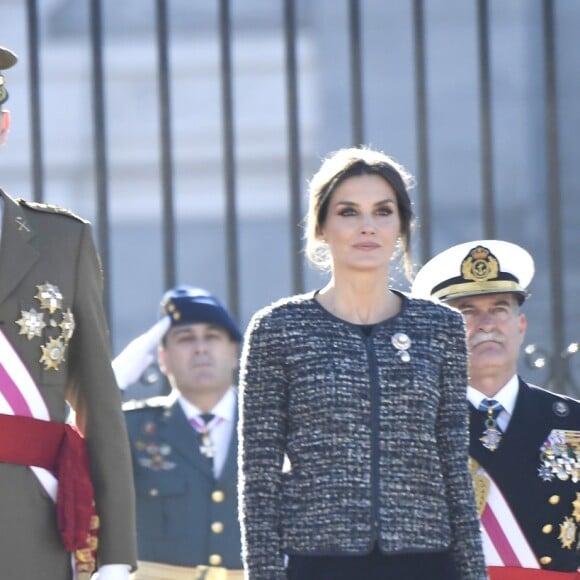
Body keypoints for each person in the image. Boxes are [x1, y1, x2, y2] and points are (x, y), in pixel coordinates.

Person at [237, 147, 488, 580]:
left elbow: (453, 465)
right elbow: (258, 479)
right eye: (349, 211)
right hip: (320, 560)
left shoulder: (441, 327)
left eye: (383, 211)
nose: (368, 226)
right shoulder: (278, 329)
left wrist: (472, 572)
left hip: (426, 559)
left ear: (401, 226)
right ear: (321, 226)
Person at [0, 45, 136, 579]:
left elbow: (99, 402)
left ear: (2, 127)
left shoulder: (61, 241)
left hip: (27, 534)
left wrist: (117, 557)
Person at [412, 239, 580, 579]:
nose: (486, 323)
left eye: (500, 307)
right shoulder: (417, 427)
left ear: (520, 327)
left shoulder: (573, 421)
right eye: (467, 311)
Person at [119, 286, 244, 579]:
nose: (200, 348)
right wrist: (112, 383)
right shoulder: (133, 427)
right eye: (186, 338)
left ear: (235, 352)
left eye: (212, 337)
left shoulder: (270, 423)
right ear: (163, 359)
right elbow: (77, 455)